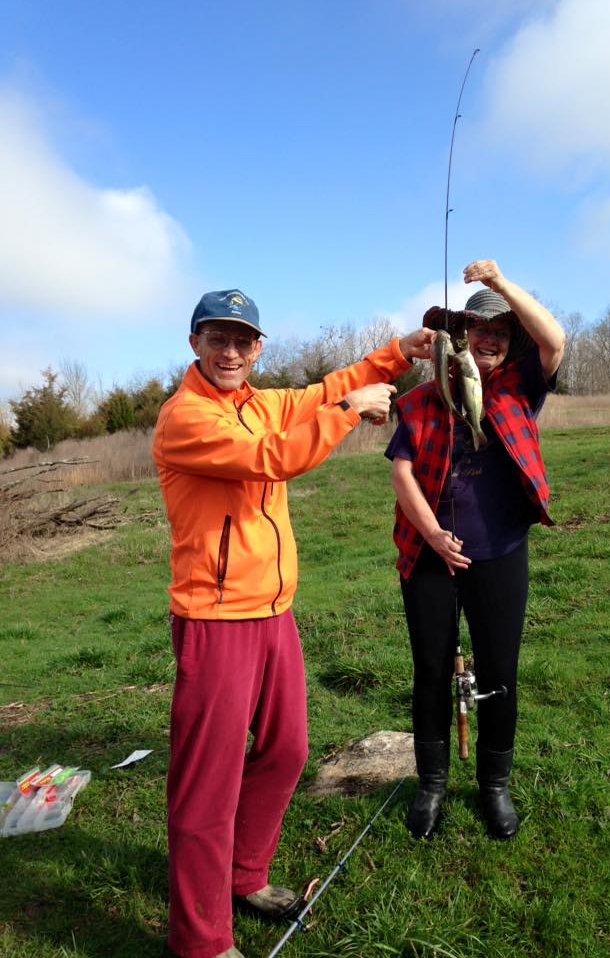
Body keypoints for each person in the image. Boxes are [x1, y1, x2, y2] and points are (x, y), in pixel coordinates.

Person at [152, 288, 433, 958]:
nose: (230, 352)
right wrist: (350, 411)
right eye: (217, 338)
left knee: (286, 752)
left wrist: (398, 354)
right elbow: (272, 458)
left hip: (274, 612)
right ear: (194, 344)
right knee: (207, 785)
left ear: (257, 348)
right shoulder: (185, 417)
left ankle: (242, 876)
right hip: (215, 617)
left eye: (242, 340)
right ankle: (200, 940)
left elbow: (323, 391)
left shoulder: (259, 403)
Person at [386, 259, 565, 841]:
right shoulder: (419, 400)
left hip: (500, 553)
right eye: (478, 328)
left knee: (500, 670)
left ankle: (494, 785)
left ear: (509, 341)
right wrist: (433, 534)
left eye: (500, 331)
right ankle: (432, 785)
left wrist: (499, 284)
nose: (488, 339)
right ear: (459, 336)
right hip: (429, 556)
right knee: (431, 670)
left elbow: (555, 341)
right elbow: (402, 473)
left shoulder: (519, 387)